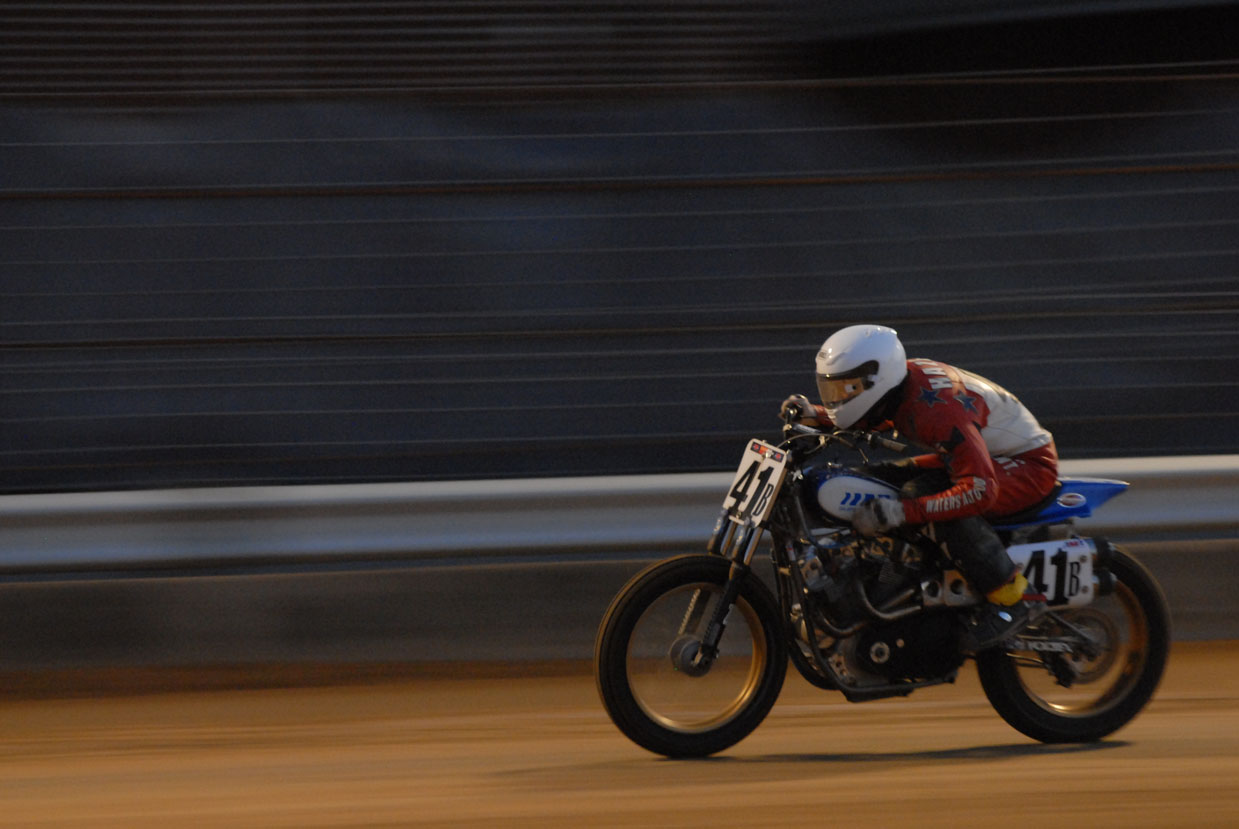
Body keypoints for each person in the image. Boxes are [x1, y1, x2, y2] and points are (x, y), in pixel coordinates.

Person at [780, 323, 1058, 651]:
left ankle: (1015, 599)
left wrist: (902, 512)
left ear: (875, 378)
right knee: (880, 476)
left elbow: (979, 490)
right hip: (975, 455)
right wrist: (818, 414)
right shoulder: (899, 386)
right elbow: (876, 413)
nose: (840, 398)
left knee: (926, 498)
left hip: (1026, 464)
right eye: (834, 390)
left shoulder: (939, 410)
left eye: (847, 389)